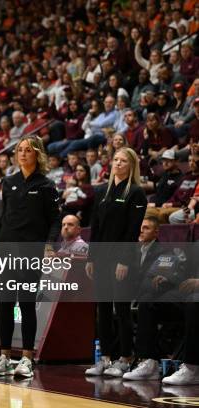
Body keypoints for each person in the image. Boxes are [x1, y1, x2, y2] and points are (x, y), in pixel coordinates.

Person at [0, 135, 61, 379]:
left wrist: (49, 246)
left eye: (28, 150)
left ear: (37, 154)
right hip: (6, 249)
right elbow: (3, 216)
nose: (23, 154)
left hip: (31, 251)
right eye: (20, 150)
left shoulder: (47, 185)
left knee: (27, 303)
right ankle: (5, 357)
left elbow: (54, 221)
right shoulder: (8, 182)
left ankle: (27, 358)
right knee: (6, 303)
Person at [85, 148, 147, 377]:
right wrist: (91, 258)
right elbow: (96, 227)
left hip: (122, 259)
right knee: (102, 309)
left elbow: (132, 231)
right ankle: (105, 359)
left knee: (121, 308)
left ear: (131, 166)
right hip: (101, 258)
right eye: (116, 160)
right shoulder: (102, 190)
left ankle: (126, 357)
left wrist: (124, 260)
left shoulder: (136, 193)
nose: (118, 164)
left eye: (123, 161)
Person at [122, 216, 184, 381]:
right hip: (136, 295)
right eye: (141, 227)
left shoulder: (164, 252)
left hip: (157, 298)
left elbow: (155, 283)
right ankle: (121, 358)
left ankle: (148, 361)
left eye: (146, 228)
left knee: (147, 300)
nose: (141, 231)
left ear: (156, 232)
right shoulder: (132, 251)